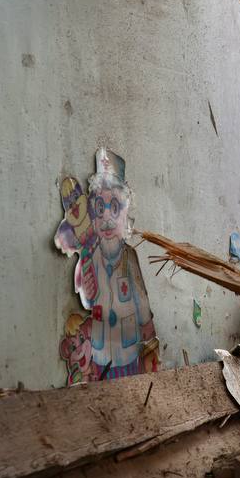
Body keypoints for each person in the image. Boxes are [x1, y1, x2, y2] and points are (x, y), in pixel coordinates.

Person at [73, 149, 158, 380]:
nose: (107, 219)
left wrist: (147, 326)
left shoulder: (129, 257)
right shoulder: (91, 257)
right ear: (93, 214)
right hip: (101, 350)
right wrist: (88, 293)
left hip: (127, 348)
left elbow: (140, 296)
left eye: (115, 208)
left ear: (125, 213)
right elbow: (87, 301)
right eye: (100, 209)